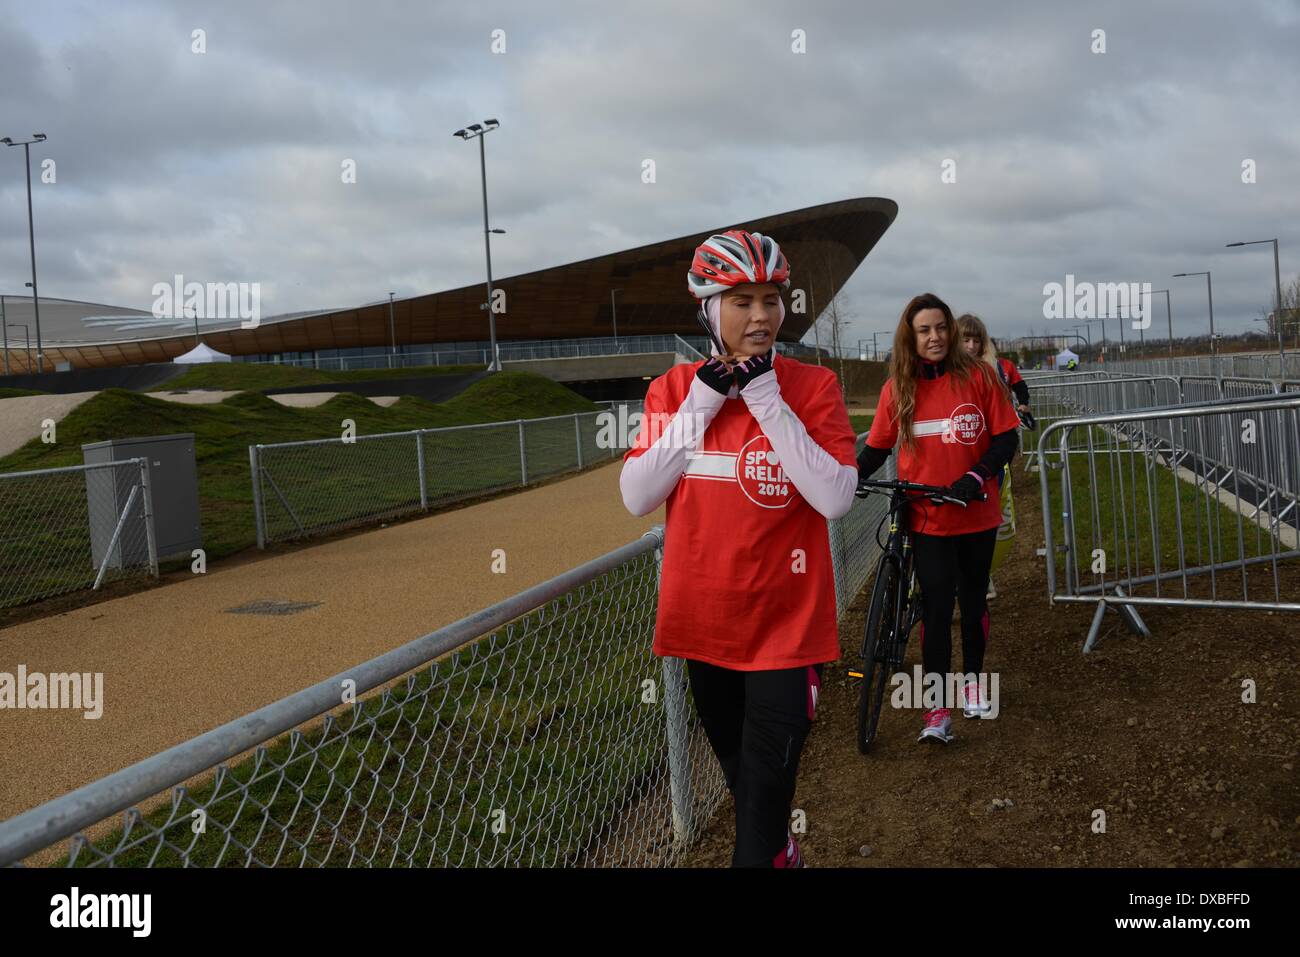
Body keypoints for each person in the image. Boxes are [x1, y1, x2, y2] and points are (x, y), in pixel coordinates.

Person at [619, 229, 858, 867]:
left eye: (771, 299)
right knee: (749, 790)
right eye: (741, 300)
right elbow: (638, 495)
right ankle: (783, 852)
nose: (760, 315)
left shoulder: (812, 387)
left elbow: (835, 496)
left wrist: (766, 399)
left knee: (754, 825)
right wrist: (704, 399)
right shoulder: (672, 390)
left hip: (787, 631)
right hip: (703, 627)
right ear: (708, 307)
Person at [856, 294, 1019, 744]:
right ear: (910, 337)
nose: (935, 337)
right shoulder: (898, 389)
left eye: (941, 327)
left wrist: (974, 476)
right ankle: (936, 709)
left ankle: (972, 683)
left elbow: (1006, 441)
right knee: (935, 608)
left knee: (971, 603)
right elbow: (876, 449)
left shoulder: (981, 378)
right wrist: (846, 475)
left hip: (976, 514)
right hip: (926, 519)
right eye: (924, 330)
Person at [956, 314, 1028, 599]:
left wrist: (1022, 406)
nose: (971, 346)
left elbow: (1018, 390)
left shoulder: (997, 370)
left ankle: (981, 574)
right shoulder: (940, 376)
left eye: (977, 340)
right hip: (955, 461)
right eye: (965, 340)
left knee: (994, 522)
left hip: (989, 460)